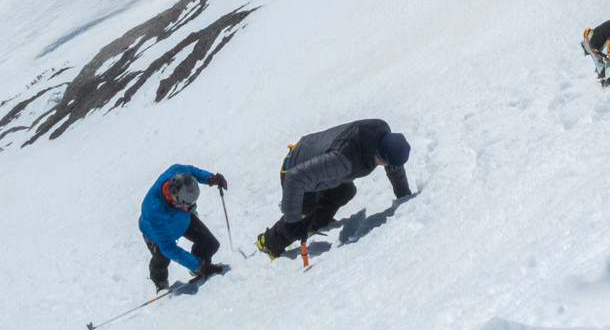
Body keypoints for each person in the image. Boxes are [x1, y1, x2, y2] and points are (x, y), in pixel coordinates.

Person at [256, 119, 412, 259]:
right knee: (300, 219)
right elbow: (295, 177)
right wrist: (292, 222)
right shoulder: (344, 159)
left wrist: (403, 195)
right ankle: (268, 244)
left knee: (345, 192)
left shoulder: (381, 135)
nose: (390, 168)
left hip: (319, 161)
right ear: (381, 157)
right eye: (388, 164)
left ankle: (316, 225)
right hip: (297, 169)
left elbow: (394, 164)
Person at [139, 165, 228, 291]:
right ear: (173, 197)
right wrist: (199, 266)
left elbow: (192, 171)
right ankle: (160, 283)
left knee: (211, 244)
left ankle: (197, 266)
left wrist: (210, 178)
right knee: (162, 260)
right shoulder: (154, 208)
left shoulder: (178, 172)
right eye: (183, 204)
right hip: (155, 234)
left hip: (182, 221)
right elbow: (168, 247)